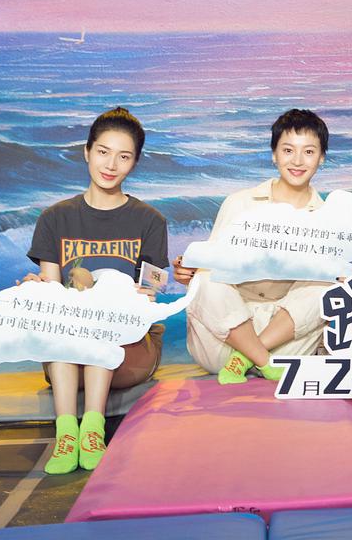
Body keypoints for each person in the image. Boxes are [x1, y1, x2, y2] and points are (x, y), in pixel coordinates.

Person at [24, 107, 169, 475]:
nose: (111, 165)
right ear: (87, 151)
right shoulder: (55, 218)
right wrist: (36, 290)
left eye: (124, 156)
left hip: (129, 348)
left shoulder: (150, 221)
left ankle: (92, 430)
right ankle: (66, 434)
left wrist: (130, 299)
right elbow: (53, 291)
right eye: (103, 152)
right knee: (67, 325)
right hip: (67, 353)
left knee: (98, 327)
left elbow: (151, 294)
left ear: (135, 162)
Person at [177, 109, 331, 384]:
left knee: (329, 285)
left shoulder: (328, 216)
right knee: (205, 279)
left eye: (308, 152)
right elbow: (211, 267)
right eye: (288, 150)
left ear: (321, 157)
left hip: (285, 340)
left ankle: (249, 358)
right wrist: (190, 271)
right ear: (274, 154)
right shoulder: (240, 203)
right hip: (227, 337)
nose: (297, 161)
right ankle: (261, 359)